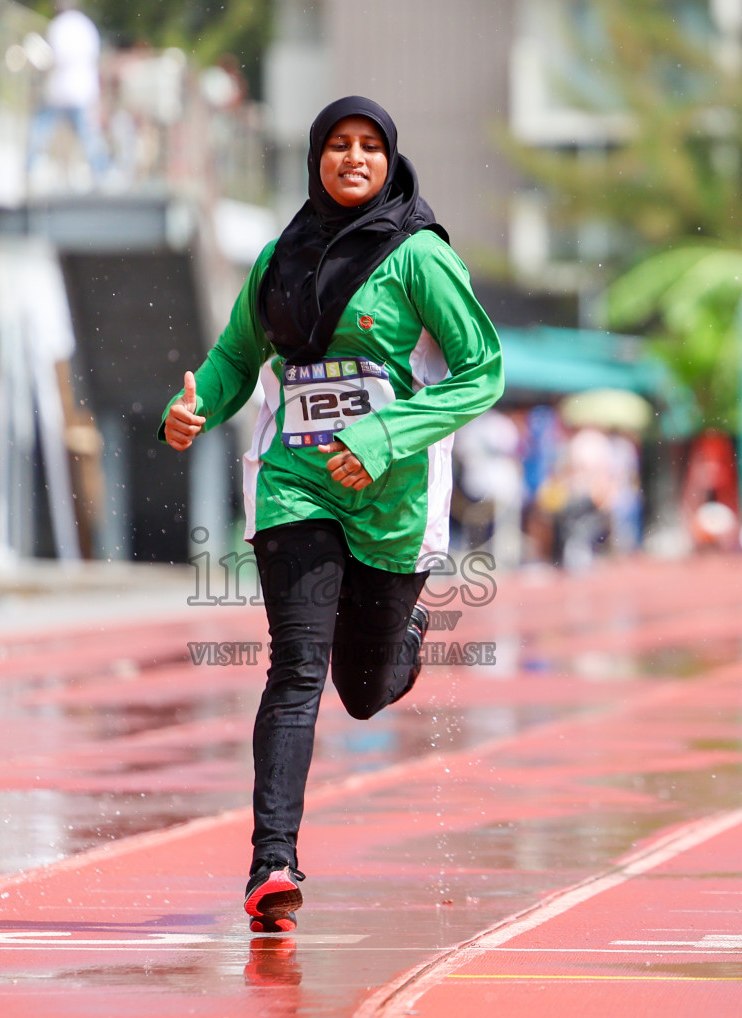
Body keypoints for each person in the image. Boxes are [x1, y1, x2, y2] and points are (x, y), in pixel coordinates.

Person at [160, 97, 503, 931]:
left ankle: (406, 641)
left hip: (392, 492)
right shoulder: (278, 259)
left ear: (391, 160)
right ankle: (271, 862)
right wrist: (197, 405)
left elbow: (482, 372)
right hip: (296, 484)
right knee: (296, 669)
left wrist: (388, 433)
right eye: (338, 146)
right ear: (316, 157)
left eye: (370, 147)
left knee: (361, 691)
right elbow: (238, 356)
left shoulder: (418, 255)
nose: (353, 158)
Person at [26, 0, 111, 184]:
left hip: (60, 90)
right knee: (88, 134)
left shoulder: (59, 26)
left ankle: (29, 167)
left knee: (40, 130)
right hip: (83, 91)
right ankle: (102, 172)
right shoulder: (87, 26)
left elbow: (53, 57)